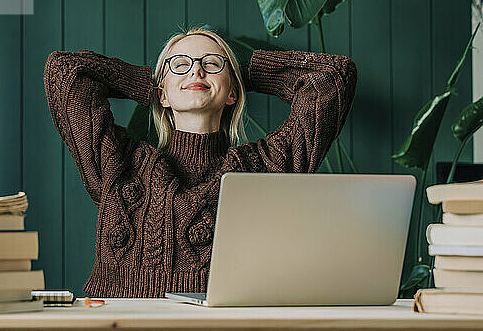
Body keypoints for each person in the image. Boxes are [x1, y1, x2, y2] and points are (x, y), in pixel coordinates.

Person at [43, 27, 358, 298]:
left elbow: (331, 77)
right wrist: (147, 82)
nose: (196, 71)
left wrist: (242, 74)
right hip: (121, 328)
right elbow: (66, 70)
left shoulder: (265, 166)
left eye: (211, 63)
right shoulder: (119, 162)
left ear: (233, 92)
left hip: (228, 330)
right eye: (180, 65)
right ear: (162, 95)